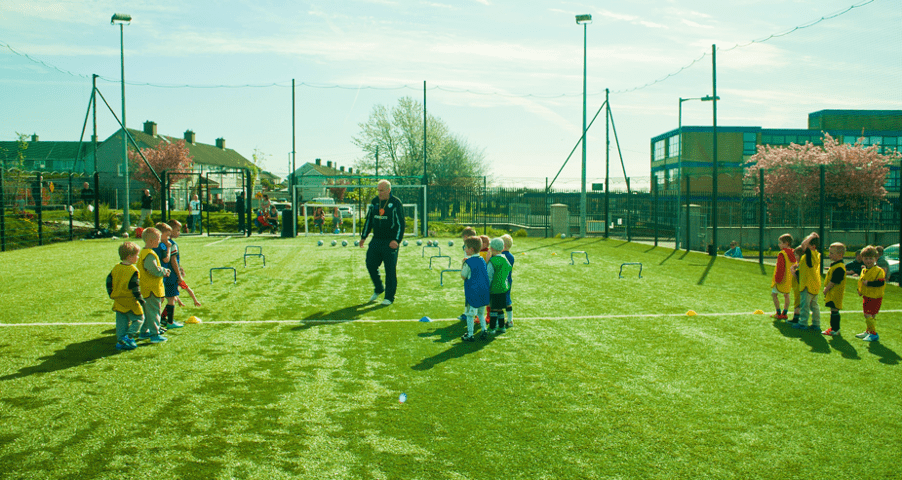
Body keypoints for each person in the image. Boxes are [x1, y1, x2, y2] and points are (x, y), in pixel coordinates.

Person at [360, 179, 405, 306]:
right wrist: (364, 237)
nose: (379, 193)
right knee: (370, 264)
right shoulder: (375, 202)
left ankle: (389, 297)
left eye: (382, 190)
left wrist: (396, 240)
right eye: (378, 190)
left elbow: (401, 223)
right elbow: (369, 220)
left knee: (390, 269)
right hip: (376, 240)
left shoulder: (396, 203)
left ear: (388, 190)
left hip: (390, 241)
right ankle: (379, 287)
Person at [105, 241, 144, 351]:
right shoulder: (133, 270)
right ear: (129, 256)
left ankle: (120, 342)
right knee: (139, 319)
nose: (137, 257)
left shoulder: (116, 267)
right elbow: (134, 287)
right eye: (136, 255)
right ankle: (129, 337)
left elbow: (109, 281)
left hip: (118, 299)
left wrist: (111, 293)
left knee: (121, 322)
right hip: (130, 300)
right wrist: (140, 299)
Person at [137, 227, 170, 343]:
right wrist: (164, 271)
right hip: (151, 288)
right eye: (158, 239)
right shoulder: (149, 254)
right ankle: (154, 334)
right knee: (154, 311)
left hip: (147, 287)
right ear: (151, 241)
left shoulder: (144, 252)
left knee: (149, 312)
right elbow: (153, 270)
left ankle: (144, 332)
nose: (160, 241)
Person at [460, 236, 490, 341]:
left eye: (466, 247)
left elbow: (463, 276)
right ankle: (484, 330)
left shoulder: (469, 262)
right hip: (484, 291)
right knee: (481, 313)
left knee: (469, 314)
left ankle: (470, 334)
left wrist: (462, 264)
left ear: (471, 249)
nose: (464, 249)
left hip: (473, 292)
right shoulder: (482, 260)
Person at [789, 232, 821, 331]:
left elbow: (803, 245)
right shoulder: (815, 255)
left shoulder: (810, 253)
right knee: (814, 306)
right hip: (814, 284)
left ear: (813, 246)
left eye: (808, 243)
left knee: (805, 306)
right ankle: (816, 324)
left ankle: (803, 323)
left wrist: (811, 236)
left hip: (807, 285)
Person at [857, 246, 886, 342]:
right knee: (871, 315)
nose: (868, 261)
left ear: (876, 258)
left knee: (867, 314)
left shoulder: (879, 270)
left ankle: (873, 334)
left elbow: (881, 282)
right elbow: (861, 281)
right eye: (866, 258)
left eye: (871, 258)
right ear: (862, 259)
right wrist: (860, 290)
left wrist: (869, 283)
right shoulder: (864, 270)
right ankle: (868, 331)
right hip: (867, 295)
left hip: (875, 296)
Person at [486, 238, 513, 334]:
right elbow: (509, 268)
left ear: (492, 248)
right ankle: (502, 327)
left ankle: (492, 328)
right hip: (503, 287)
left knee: (493, 309)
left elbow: (489, 275)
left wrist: (487, 288)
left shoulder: (493, 261)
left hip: (494, 288)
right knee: (500, 309)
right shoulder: (505, 259)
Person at [152, 223, 175, 332]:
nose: (168, 238)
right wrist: (169, 247)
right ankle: (155, 323)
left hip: (157, 275)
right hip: (160, 275)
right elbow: (166, 259)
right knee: (159, 300)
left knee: (159, 300)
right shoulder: (161, 245)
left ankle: (155, 323)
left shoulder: (153, 244)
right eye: (167, 235)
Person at [822, 242, 847, 337]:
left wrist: (826, 289)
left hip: (836, 293)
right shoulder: (836, 265)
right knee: (833, 310)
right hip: (832, 293)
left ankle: (836, 329)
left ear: (840, 255)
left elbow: (834, 281)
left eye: (832, 253)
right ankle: (833, 328)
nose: (829, 255)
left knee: (834, 310)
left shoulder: (839, 267)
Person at [770, 234, 795, 320]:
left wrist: (777, 279)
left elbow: (780, 268)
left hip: (782, 279)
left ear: (786, 243)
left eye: (780, 243)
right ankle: (785, 313)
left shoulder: (782, 254)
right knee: (787, 295)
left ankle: (778, 312)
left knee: (774, 294)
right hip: (789, 279)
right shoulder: (794, 253)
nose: (779, 244)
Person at [501, 234, 516, 329]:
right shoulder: (511, 256)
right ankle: (510, 320)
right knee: (507, 300)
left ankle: (500, 322)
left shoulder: (501, 256)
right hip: (508, 280)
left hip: (501, 281)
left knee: (499, 302)